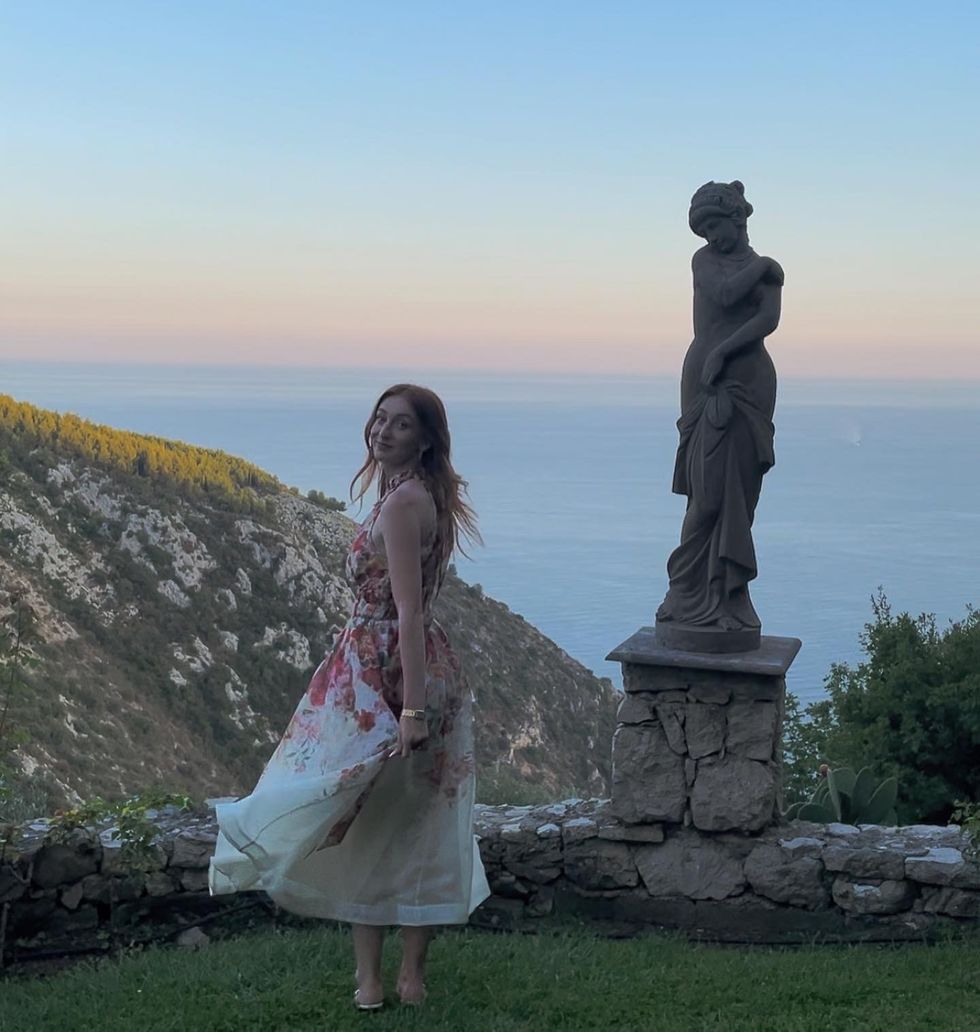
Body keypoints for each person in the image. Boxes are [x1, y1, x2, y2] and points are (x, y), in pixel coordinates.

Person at [209, 383, 490, 1010]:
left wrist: (410, 709)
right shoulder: (422, 497)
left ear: (425, 439)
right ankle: (407, 977)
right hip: (414, 667)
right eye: (379, 419)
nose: (383, 432)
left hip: (386, 672)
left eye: (400, 425)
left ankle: (375, 979)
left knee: (367, 823)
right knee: (420, 822)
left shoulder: (400, 504)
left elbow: (409, 613)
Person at [655, 180, 784, 646]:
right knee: (706, 494)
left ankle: (729, 597)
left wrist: (728, 347)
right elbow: (728, 295)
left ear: (738, 217)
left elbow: (767, 321)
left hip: (751, 381)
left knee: (741, 497)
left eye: (716, 225)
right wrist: (767, 266)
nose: (711, 236)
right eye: (704, 229)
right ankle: (683, 590)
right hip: (708, 382)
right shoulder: (707, 262)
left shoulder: (761, 270)